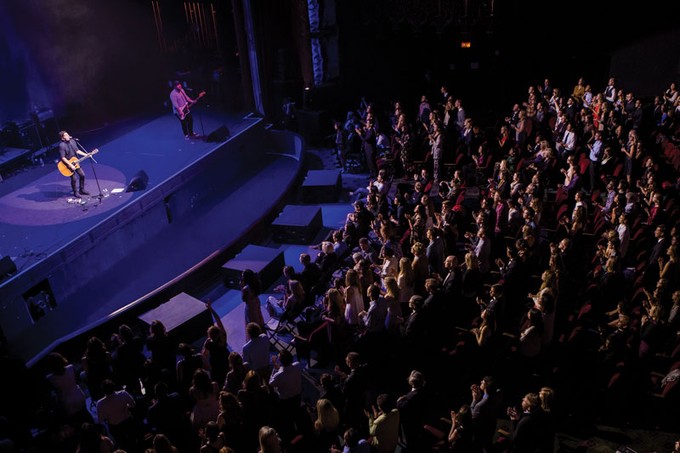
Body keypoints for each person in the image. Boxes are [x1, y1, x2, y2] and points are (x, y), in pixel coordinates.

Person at [58, 131, 89, 198]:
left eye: (67, 134)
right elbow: (63, 158)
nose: (68, 136)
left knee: (82, 175)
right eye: (65, 135)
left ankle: (82, 189)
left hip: (74, 161)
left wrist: (86, 155)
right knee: (74, 178)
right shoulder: (62, 145)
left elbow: (77, 151)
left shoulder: (72, 141)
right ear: (62, 138)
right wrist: (70, 165)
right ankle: (75, 192)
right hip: (67, 164)